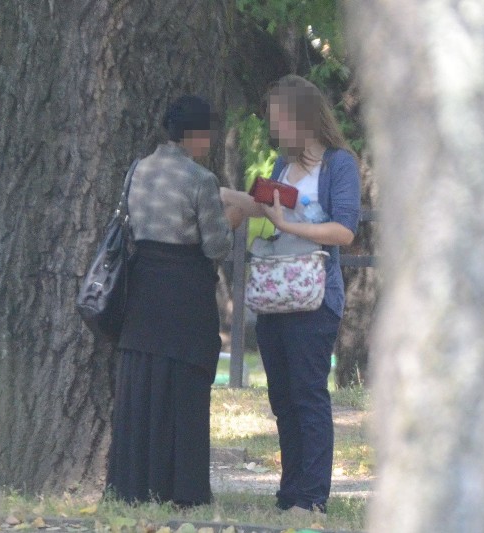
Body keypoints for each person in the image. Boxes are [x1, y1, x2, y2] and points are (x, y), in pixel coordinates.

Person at [221, 75, 361, 514]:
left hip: (315, 296)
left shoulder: (339, 165)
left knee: (307, 395)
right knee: (282, 399)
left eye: (280, 117)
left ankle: (313, 497)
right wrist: (249, 206)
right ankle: (290, 493)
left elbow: (343, 231)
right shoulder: (283, 168)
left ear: (303, 116)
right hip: (276, 294)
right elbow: (271, 218)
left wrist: (287, 223)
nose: (273, 126)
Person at [105, 95, 240, 507]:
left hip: (142, 293)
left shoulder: (137, 170)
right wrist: (236, 213)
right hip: (184, 298)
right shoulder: (200, 179)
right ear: (197, 134)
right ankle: (182, 486)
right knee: (183, 392)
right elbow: (216, 245)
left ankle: (134, 482)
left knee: (142, 388)